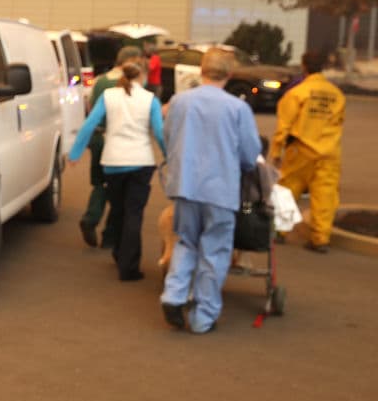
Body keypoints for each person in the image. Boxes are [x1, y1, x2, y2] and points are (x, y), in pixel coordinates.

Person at [159, 48, 261, 333]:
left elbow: (168, 137)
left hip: (185, 185)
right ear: (229, 74)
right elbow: (249, 153)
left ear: (201, 70)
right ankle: (204, 316)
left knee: (186, 242)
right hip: (220, 189)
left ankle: (174, 295)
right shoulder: (237, 109)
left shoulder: (179, 102)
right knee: (214, 251)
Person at [69, 54, 165, 281]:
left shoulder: (108, 96)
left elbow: (89, 124)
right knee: (134, 213)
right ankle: (128, 266)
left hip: (112, 162)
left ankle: (118, 251)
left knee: (119, 210)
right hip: (141, 162)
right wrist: (170, 156)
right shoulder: (150, 99)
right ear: (142, 75)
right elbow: (160, 133)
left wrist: (75, 153)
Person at [269, 51, 346, 253]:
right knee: (325, 194)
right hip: (329, 152)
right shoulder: (337, 95)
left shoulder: (297, 93)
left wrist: (276, 151)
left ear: (304, 67)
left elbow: (284, 126)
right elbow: (339, 122)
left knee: (288, 189)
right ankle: (320, 239)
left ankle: (279, 231)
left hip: (301, 149)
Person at [77, 46, 143, 249]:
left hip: (98, 136)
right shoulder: (129, 84)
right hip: (119, 140)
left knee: (100, 183)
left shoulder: (100, 80)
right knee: (120, 190)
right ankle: (110, 235)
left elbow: (89, 106)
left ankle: (91, 218)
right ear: (130, 61)